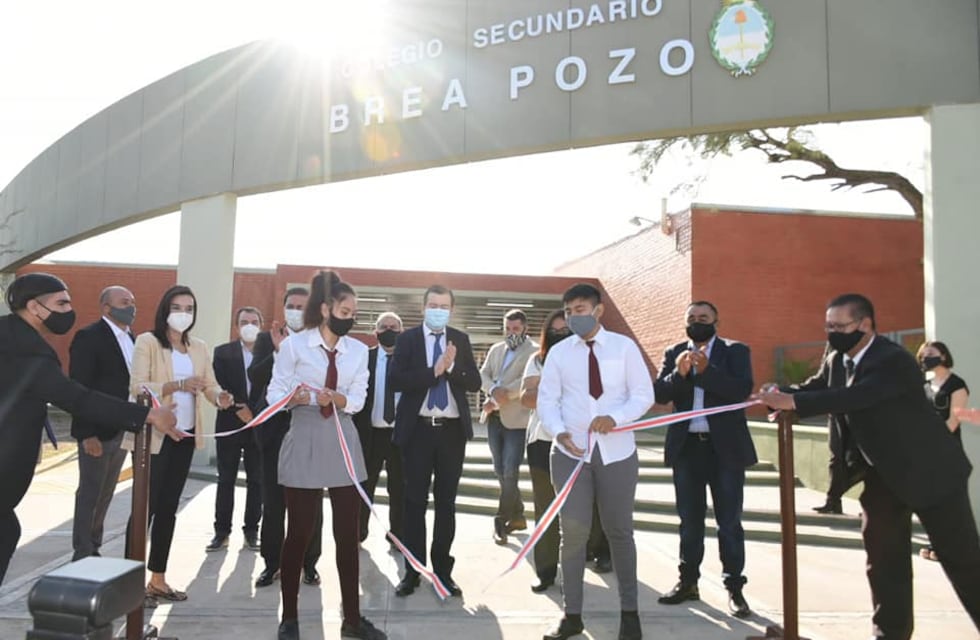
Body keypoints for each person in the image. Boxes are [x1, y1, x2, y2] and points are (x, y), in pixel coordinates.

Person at [757, 293, 980, 640]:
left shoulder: (893, 360)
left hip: (932, 474)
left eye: (839, 326)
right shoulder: (836, 357)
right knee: (884, 563)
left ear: (865, 325)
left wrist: (795, 401)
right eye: (828, 326)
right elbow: (818, 387)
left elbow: (859, 396)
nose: (832, 332)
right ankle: (890, 634)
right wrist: (779, 393)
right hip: (882, 476)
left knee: (963, 563)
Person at [0, 273, 179, 585]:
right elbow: (79, 398)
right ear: (35, 307)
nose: (70, 309)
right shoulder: (29, 354)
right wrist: (148, 416)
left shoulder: (11, 339)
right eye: (61, 302)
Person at [267, 270, 384, 640]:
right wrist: (293, 398)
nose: (350, 317)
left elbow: (360, 398)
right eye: (345, 310)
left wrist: (339, 398)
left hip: (342, 437)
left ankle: (352, 619)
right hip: (303, 435)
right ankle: (289, 618)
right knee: (298, 533)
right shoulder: (294, 346)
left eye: (354, 312)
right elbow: (275, 394)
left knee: (347, 536)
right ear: (326, 308)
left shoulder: (358, 352)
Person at [537, 283, 654, 640]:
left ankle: (630, 615)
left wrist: (616, 418)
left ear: (599, 310)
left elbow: (643, 394)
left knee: (620, 531)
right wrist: (558, 432)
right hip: (571, 456)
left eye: (581, 308)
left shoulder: (624, 347)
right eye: (569, 311)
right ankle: (572, 615)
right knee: (572, 534)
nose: (575, 316)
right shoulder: (559, 354)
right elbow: (547, 400)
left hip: (617, 453)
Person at [127, 284, 233, 603]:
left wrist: (220, 397)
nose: (183, 314)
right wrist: (178, 385)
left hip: (184, 436)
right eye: (177, 307)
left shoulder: (198, 346)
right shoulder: (148, 342)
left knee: (168, 509)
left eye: (189, 309)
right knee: (144, 508)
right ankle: (129, 584)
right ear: (164, 309)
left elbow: (209, 384)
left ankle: (157, 579)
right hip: (154, 438)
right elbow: (138, 387)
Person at [653, 300, 755, 618]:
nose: (698, 322)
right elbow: (660, 393)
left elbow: (740, 390)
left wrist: (706, 371)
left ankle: (735, 588)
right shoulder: (674, 353)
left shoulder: (735, 351)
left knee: (729, 522)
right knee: (690, 522)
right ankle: (688, 582)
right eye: (692, 318)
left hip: (724, 450)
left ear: (716, 321)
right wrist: (680, 374)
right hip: (688, 450)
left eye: (704, 317)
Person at [391, 284, 482, 598]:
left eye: (444, 305)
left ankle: (443, 571)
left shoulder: (461, 339)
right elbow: (395, 380)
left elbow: (475, 383)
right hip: (417, 432)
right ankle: (412, 572)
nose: (438, 309)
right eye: (433, 304)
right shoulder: (407, 340)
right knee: (414, 503)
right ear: (423, 307)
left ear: (452, 310)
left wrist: (452, 368)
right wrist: (434, 371)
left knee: (446, 503)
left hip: (451, 434)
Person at [249, 287, 323, 588]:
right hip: (275, 433)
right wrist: (280, 351)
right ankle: (272, 562)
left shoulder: (321, 340)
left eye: (301, 306)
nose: (295, 310)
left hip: (310, 431)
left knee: (310, 502)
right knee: (274, 501)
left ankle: (309, 562)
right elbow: (255, 376)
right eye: (290, 306)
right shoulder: (268, 339)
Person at [69, 285, 138, 561]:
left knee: (106, 492)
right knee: (90, 491)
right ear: (106, 307)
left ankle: (93, 546)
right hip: (97, 431)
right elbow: (79, 387)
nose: (131, 306)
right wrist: (86, 433)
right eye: (124, 301)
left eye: (132, 301)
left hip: (123, 429)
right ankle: (82, 552)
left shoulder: (132, 338)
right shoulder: (89, 337)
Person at [520, 309, 571, 593]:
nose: (560, 334)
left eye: (566, 330)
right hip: (542, 441)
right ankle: (547, 571)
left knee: (581, 510)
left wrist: (548, 387)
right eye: (555, 330)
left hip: (577, 442)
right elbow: (527, 397)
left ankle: (592, 557)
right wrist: (554, 385)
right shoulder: (536, 360)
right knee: (545, 508)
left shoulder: (585, 359)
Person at [207, 306, 264, 552]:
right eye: (244, 321)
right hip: (230, 424)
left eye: (253, 321)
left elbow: (272, 387)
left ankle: (251, 531)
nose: (249, 325)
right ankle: (221, 532)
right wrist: (239, 409)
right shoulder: (222, 352)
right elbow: (219, 387)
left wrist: (255, 413)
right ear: (237, 326)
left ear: (260, 325)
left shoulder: (271, 352)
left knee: (256, 480)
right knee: (226, 479)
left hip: (259, 426)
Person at [480, 308, 537, 545]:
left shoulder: (533, 351)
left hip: (517, 420)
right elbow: (483, 374)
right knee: (499, 469)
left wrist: (499, 397)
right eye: (508, 328)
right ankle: (519, 516)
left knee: (510, 469)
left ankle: (501, 520)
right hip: (494, 419)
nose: (511, 332)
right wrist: (492, 391)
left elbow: (526, 382)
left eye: (515, 328)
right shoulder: (496, 349)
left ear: (524, 328)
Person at [916, 340, 969, 562]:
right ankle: (935, 543)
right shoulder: (925, 386)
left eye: (932, 353)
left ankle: (957, 547)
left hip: (947, 451)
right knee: (933, 501)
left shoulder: (956, 385)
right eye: (924, 354)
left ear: (944, 356)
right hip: (928, 452)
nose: (927, 357)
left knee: (952, 502)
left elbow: (954, 420)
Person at [354, 312, 405, 545]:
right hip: (369, 434)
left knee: (399, 488)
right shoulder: (363, 358)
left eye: (393, 327)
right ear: (375, 332)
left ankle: (398, 534)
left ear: (401, 331)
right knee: (365, 485)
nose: (388, 330)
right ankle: (358, 531)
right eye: (383, 327)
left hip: (400, 435)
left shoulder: (411, 359)